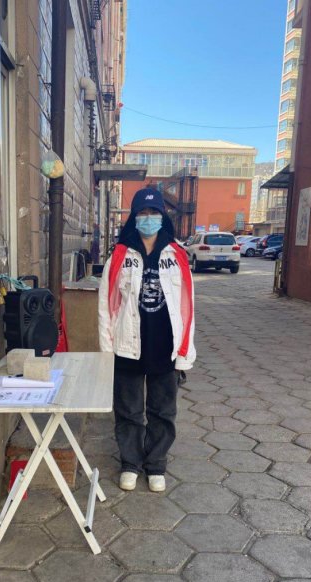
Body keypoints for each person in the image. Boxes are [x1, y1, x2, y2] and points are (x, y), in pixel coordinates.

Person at [98, 188, 196, 492]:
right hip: (127, 345)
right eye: (143, 213)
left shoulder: (177, 255)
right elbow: (105, 306)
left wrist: (185, 352)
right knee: (128, 411)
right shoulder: (119, 255)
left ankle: (156, 464)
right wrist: (107, 353)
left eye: (154, 213)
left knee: (163, 411)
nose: (149, 218)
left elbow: (188, 306)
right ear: (134, 217)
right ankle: (130, 463)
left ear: (163, 217)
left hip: (165, 346)